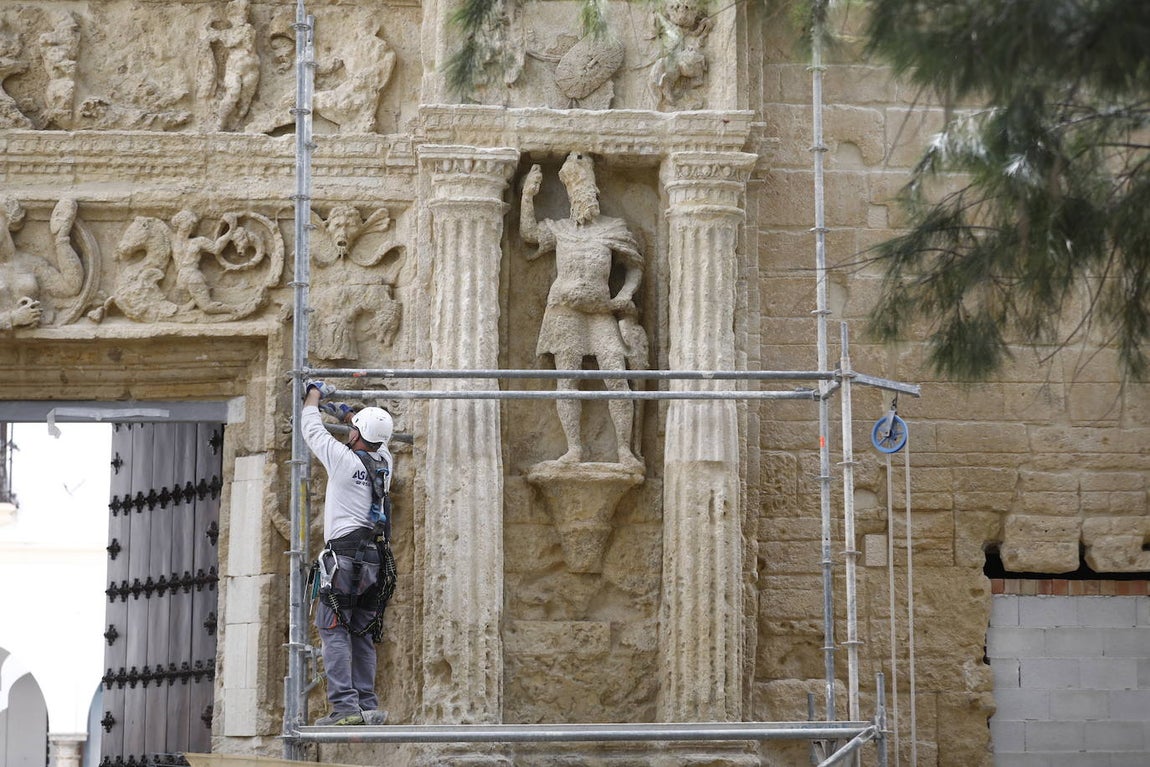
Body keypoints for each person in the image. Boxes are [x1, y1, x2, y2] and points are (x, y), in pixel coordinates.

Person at [520, 151, 645, 468]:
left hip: (601, 310)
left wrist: (624, 295)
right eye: (576, 191)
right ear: (570, 197)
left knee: (616, 376)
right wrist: (527, 196)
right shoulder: (561, 229)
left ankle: (624, 450)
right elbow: (529, 234)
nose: (583, 197)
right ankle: (574, 449)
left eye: (587, 190)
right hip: (564, 311)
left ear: (596, 193)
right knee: (568, 379)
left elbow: (634, 267)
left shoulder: (613, 228)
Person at [301, 380, 396, 726]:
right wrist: (344, 411)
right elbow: (367, 430)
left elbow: (310, 427)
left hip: (342, 561)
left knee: (333, 628)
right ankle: (367, 706)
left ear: (355, 435)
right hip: (374, 562)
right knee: (360, 631)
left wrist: (314, 394)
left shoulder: (342, 461)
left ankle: (344, 708)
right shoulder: (384, 461)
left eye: (352, 429)